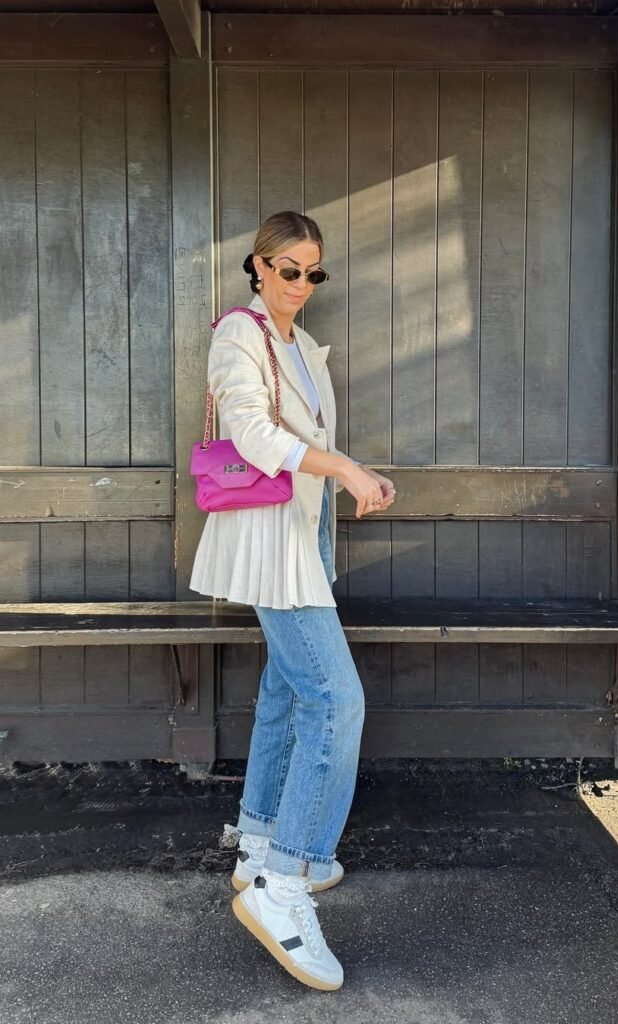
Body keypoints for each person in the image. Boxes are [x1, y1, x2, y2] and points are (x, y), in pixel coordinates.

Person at [189, 211, 395, 991]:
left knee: (286, 690)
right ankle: (284, 884)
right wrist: (342, 470)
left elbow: (307, 440)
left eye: (313, 273)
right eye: (287, 269)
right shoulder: (237, 334)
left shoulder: (302, 347)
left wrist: (354, 471)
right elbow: (249, 431)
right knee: (336, 702)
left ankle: (258, 841)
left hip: (303, 541)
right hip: (271, 545)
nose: (300, 285)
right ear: (257, 265)